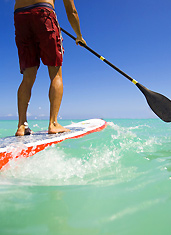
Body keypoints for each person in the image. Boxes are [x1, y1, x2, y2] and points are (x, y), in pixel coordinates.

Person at [14, 0, 86, 136]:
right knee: (55, 74)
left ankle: (21, 126)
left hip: (20, 16)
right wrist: (79, 36)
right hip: (44, 12)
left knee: (28, 77)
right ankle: (53, 124)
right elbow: (72, 11)